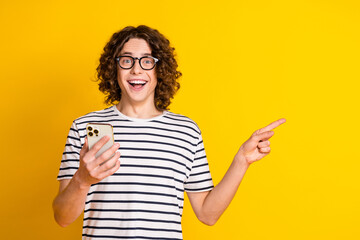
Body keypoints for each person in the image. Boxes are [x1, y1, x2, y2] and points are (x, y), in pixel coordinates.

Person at [53, 25, 286, 240]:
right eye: (126, 60)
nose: (136, 69)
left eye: (147, 61)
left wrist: (241, 161)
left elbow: (207, 214)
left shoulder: (186, 131)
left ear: (159, 69)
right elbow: (62, 217)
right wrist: (82, 180)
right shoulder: (85, 127)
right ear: (114, 67)